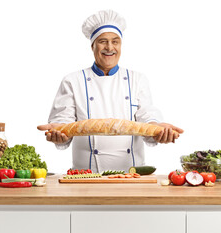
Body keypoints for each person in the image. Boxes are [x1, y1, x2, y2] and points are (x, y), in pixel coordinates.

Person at [37, 10, 183, 173]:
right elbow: (63, 123)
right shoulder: (73, 80)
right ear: (92, 45)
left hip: (131, 175)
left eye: (115, 41)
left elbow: (147, 117)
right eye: (102, 41)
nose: (109, 48)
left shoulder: (137, 79)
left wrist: (157, 129)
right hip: (85, 175)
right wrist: (59, 132)